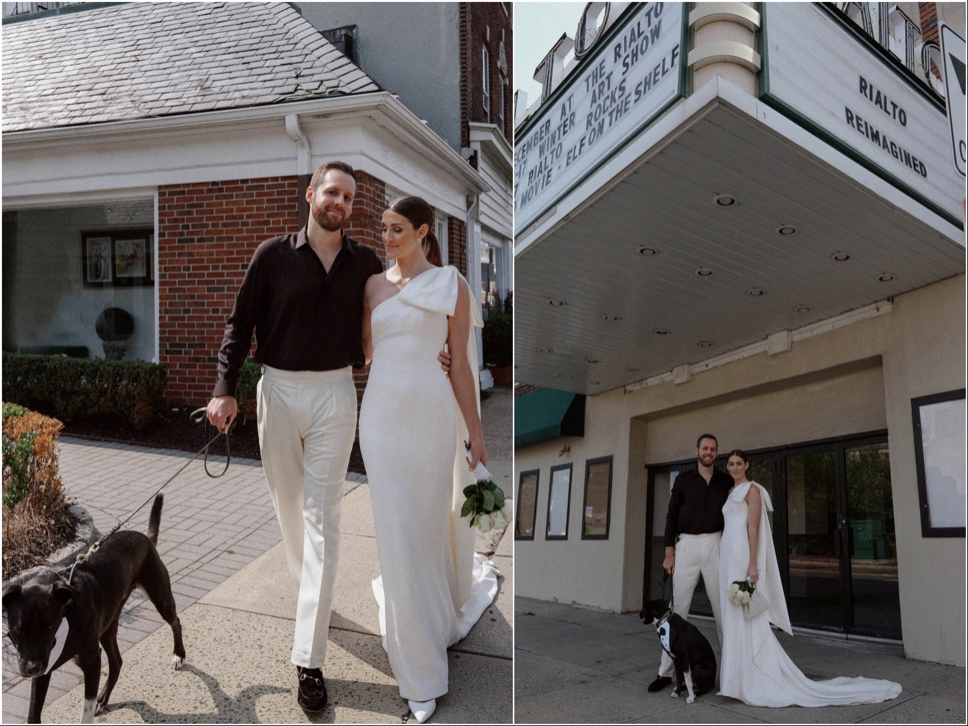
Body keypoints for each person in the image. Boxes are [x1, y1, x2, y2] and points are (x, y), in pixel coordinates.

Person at [205, 161, 384, 713]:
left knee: (323, 518)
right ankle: (316, 595)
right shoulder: (271, 255)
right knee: (289, 510)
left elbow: (395, 313)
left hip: (336, 394)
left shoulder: (365, 263)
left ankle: (308, 659)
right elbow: (240, 323)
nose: (341, 203)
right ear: (311, 194)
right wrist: (224, 387)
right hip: (277, 391)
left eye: (349, 197)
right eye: (332, 192)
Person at [359, 196, 500, 724]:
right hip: (380, 423)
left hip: (433, 423)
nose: (388, 238)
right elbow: (365, 352)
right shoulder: (371, 287)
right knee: (396, 531)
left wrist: (477, 438)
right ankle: (419, 673)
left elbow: (461, 366)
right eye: (384, 229)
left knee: (422, 529)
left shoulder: (454, 286)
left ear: (423, 232)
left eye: (397, 229)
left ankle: (428, 618)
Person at [718, 449, 902, 706]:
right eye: (731, 463)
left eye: (739, 463)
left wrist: (752, 564)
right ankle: (735, 680)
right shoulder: (730, 492)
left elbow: (753, 528)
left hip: (741, 556)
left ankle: (756, 676)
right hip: (727, 556)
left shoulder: (752, 490)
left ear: (747, 465)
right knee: (732, 616)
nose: (735, 467)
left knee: (748, 617)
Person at [650, 433, 732, 693]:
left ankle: (732, 674)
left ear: (716, 453)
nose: (708, 452)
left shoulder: (725, 481)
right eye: (705, 448)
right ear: (697, 450)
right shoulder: (684, 480)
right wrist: (669, 552)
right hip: (686, 545)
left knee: (723, 611)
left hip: (716, 544)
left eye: (713, 449)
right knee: (676, 611)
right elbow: (670, 516)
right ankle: (664, 673)